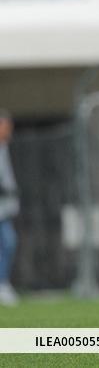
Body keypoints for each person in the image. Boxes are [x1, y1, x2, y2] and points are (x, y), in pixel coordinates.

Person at [0, 110, 18, 306]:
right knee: (8, 242)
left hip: (4, 209)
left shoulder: (4, 147)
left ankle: (2, 284)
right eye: (5, 127)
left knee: (8, 243)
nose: (8, 131)